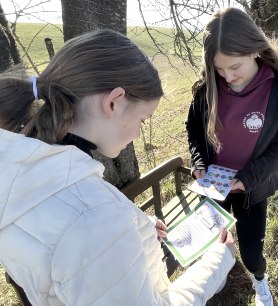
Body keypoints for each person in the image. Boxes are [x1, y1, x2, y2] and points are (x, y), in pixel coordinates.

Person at [0, 29, 236, 306]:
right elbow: (89, 231)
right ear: (113, 102)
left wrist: (138, 230)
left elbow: (58, 242)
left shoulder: (17, 169)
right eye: (143, 120)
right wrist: (219, 260)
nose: (138, 133)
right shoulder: (97, 220)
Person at [186, 8, 278, 306]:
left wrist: (249, 177)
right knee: (213, 244)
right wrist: (200, 162)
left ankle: (259, 281)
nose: (227, 76)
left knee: (252, 253)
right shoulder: (207, 89)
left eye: (234, 67)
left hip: (253, 187)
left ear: (255, 50)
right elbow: (195, 131)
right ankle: (217, 278)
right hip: (213, 187)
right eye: (219, 69)